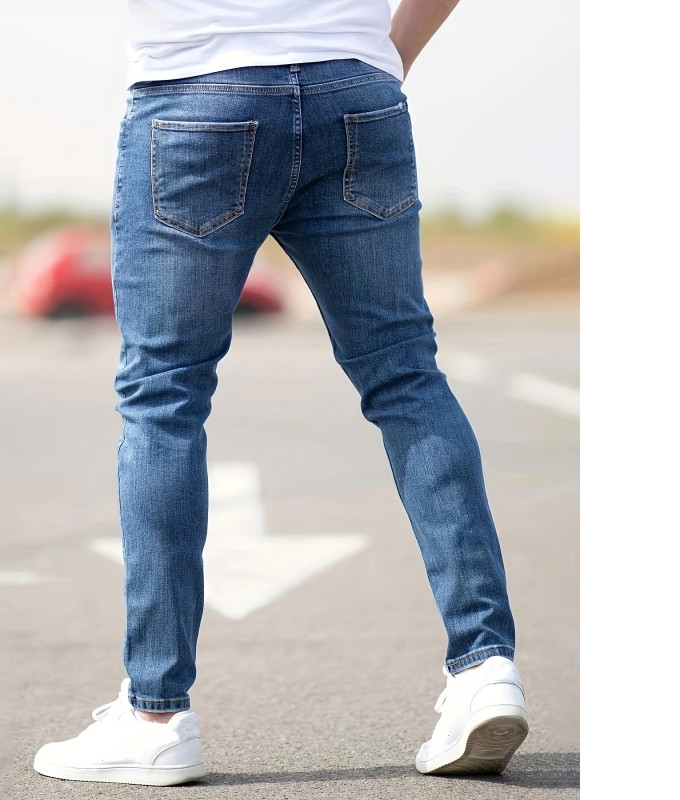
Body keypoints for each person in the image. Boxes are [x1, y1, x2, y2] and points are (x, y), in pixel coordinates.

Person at [33, 0, 528, 785]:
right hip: (356, 93)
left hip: (198, 94)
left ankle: (155, 717)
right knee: (406, 376)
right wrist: (385, 56)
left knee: (164, 398)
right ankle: (484, 668)